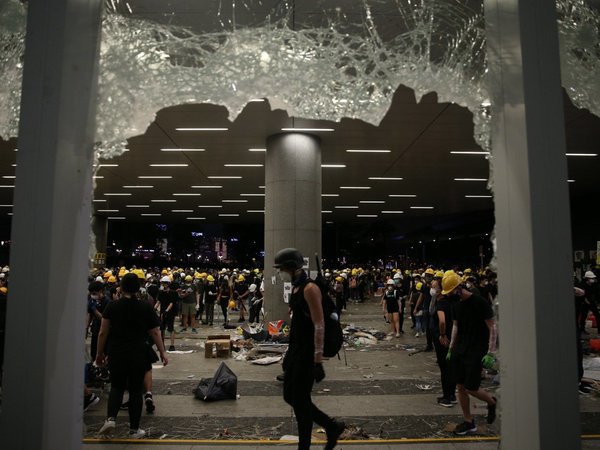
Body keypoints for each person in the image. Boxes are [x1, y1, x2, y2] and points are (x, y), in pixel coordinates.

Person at [275, 248, 345, 450]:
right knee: (291, 396)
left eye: (281, 268)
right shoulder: (296, 288)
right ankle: (331, 426)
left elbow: (319, 324)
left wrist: (317, 361)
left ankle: (306, 444)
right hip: (296, 350)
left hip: (307, 353)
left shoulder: (309, 288)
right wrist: (289, 354)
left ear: (291, 267)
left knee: (300, 400)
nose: (280, 272)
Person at [96, 273, 168, 438]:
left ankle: (111, 418)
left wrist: (100, 353)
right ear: (138, 288)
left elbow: (102, 332)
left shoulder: (112, 306)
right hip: (138, 353)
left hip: (116, 352)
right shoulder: (145, 307)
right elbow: (155, 332)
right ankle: (134, 429)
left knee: (117, 386)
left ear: (121, 288)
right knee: (136, 390)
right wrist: (163, 352)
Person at [443, 271, 498, 435]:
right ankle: (468, 421)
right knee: (460, 386)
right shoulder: (455, 305)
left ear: (459, 288)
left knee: (471, 387)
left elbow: (492, 327)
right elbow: (456, 326)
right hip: (461, 348)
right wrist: (451, 348)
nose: (450, 295)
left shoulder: (479, 302)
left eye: (451, 291)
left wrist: (491, 352)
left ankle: (492, 402)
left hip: (477, 349)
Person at [157, 276, 178, 351]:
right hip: (162, 312)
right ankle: (162, 345)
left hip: (170, 313)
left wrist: (166, 311)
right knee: (162, 329)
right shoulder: (161, 292)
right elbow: (159, 301)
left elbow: (172, 303)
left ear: (168, 284)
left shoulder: (173, 292)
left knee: (171, 328)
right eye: (162, 283)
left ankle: (172, 345)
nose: (163, 285)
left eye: (165, 283)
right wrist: (154, 308)